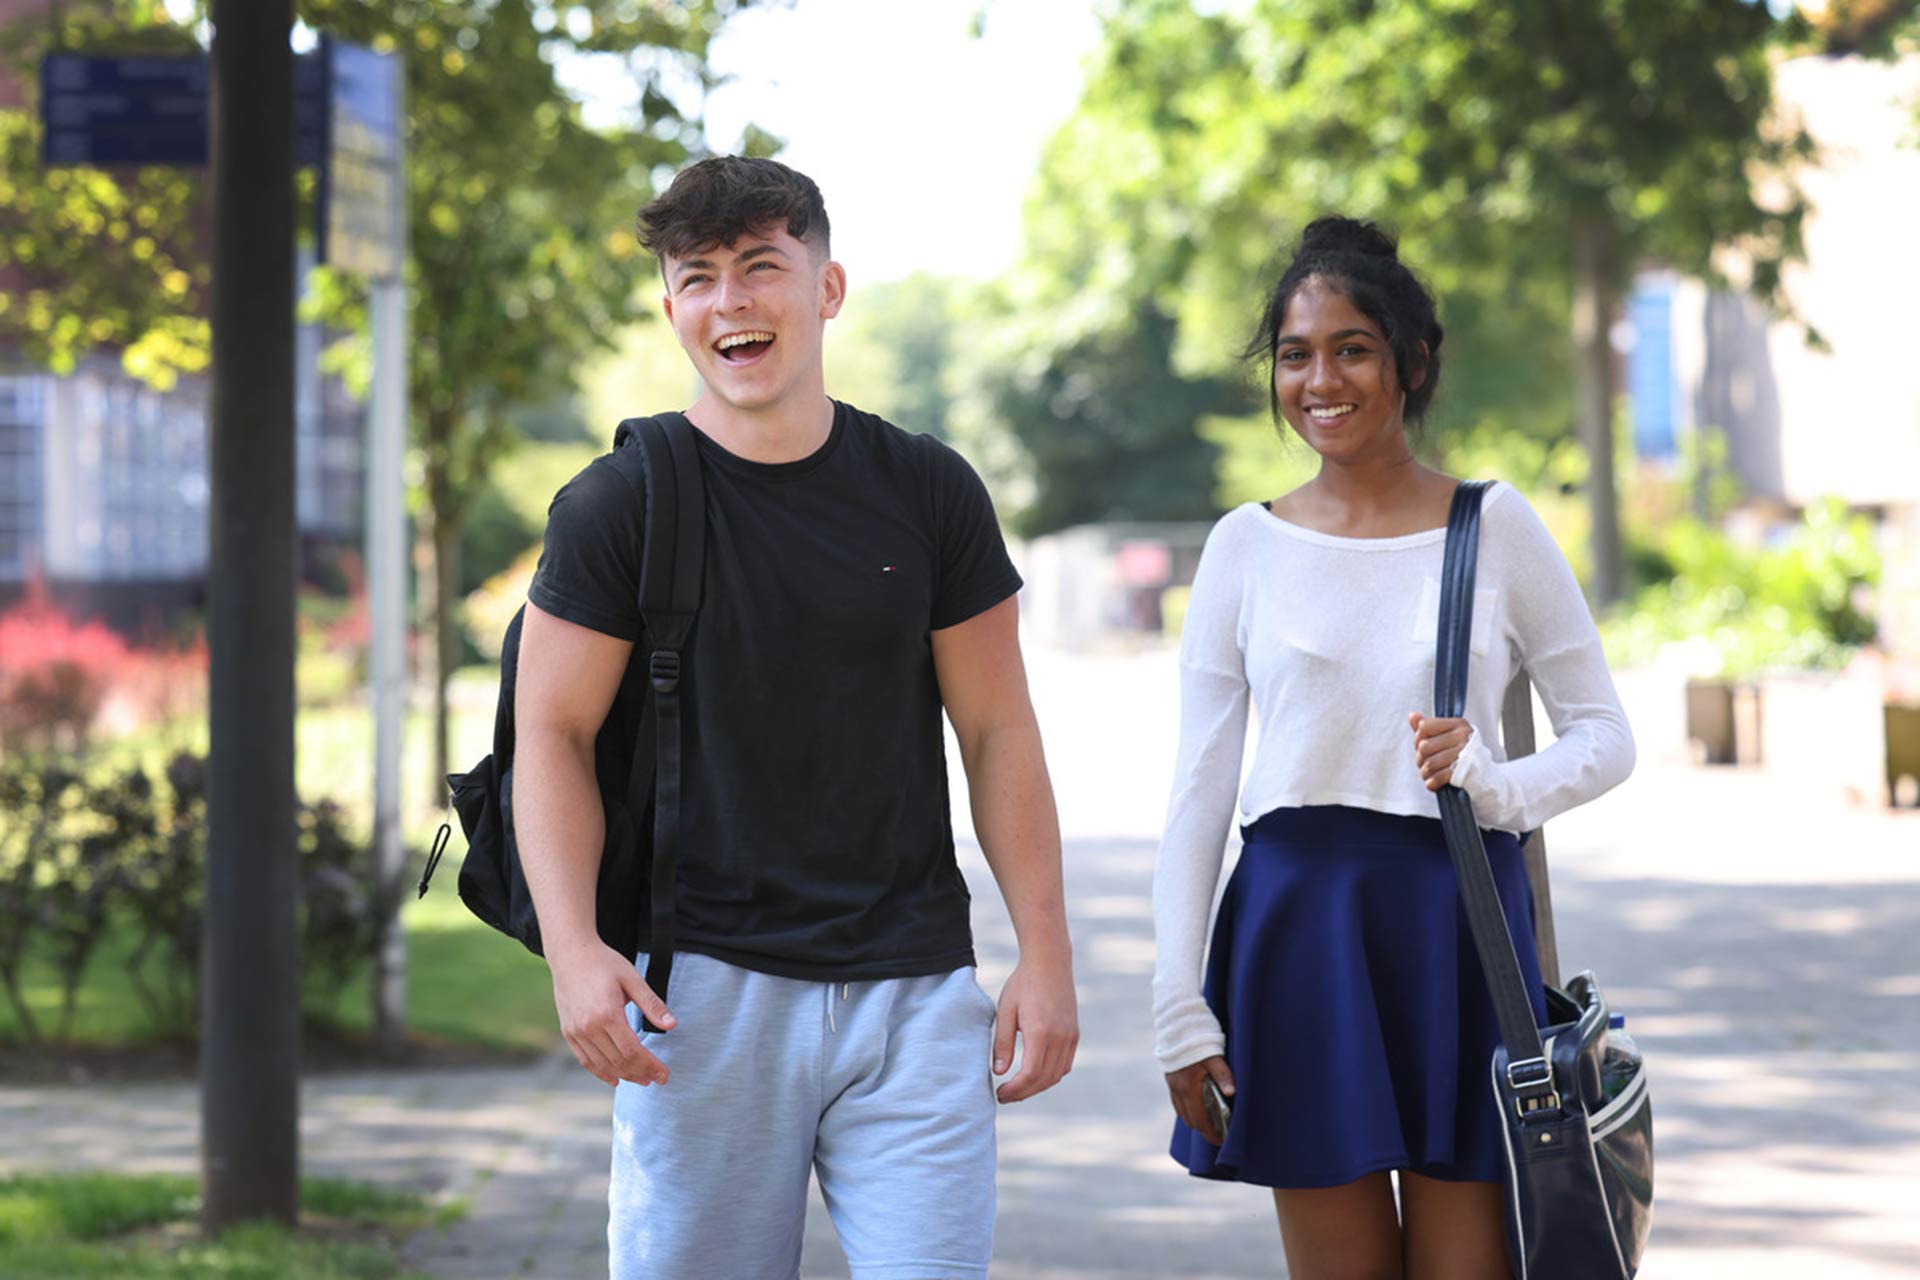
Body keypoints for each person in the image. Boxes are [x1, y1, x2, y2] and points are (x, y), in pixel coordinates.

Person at [513, 156, 1078, 1280]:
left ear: (827, 286)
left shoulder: (928, 490)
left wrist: (1046, 954)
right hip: (701, 1000)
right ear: (672, 305)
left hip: (914, 989)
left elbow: (998, 730)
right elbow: (552, 735)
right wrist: (576, 952)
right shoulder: (620, 504)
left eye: (762, 267)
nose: (733, 302)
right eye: (700, 276)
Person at [1151, 216, 1635, 1279]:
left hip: (1459, 927)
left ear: (1411, 362)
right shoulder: (1245, 546)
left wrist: (1498, 787)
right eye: (1295, 353)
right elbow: (1199, 787)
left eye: (1351, 347)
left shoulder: (1494, 524)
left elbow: (1607, 735)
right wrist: (1176, 1003)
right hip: (1299, 931)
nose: (1319, 377)